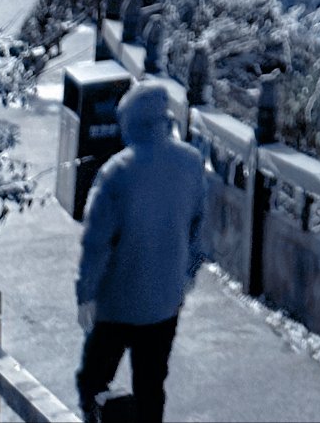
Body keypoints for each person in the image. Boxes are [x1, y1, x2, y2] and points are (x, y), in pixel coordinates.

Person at [74, 78, 207, 423]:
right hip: (165, 301)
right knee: (151, 386)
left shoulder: (116, 173)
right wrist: (188, 273)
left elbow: (96, 244)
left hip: (117, 303)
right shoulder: (191, 163)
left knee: (93, 382)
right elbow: (201, 228)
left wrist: (86, 293)